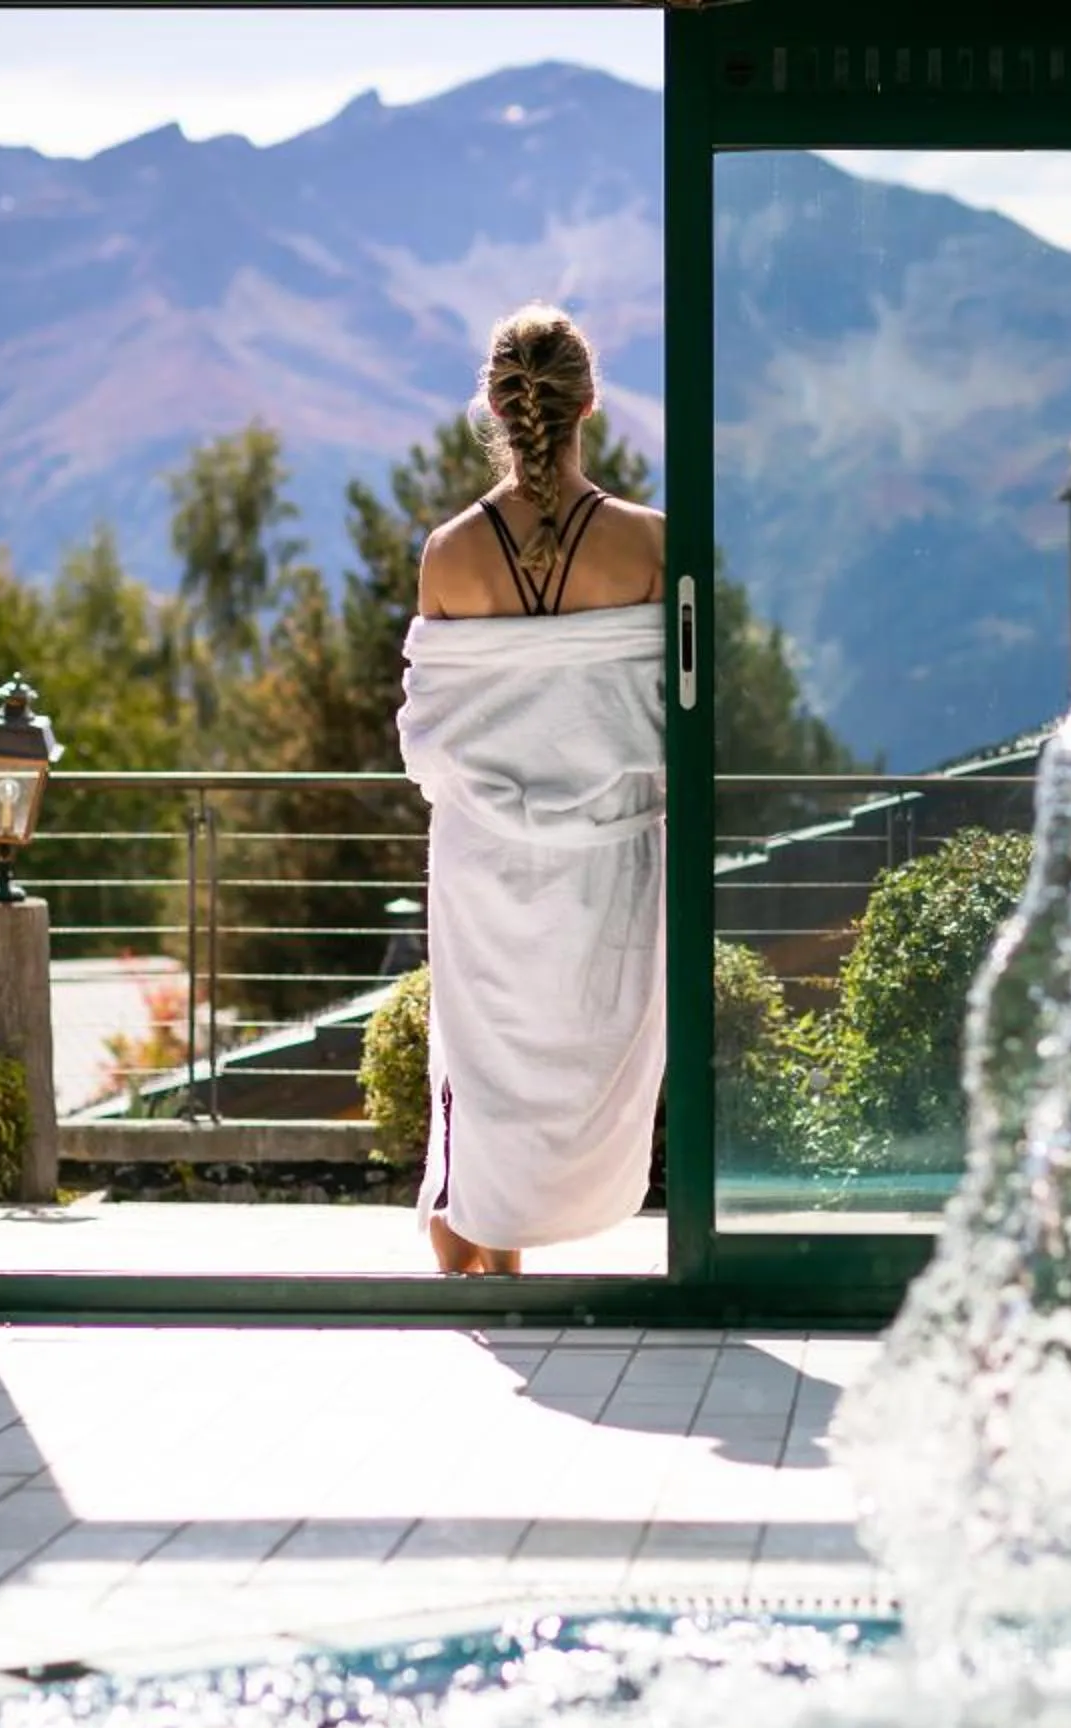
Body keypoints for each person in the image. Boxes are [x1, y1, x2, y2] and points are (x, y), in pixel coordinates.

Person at [395, 304, 669, 1276]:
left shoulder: (448, 553)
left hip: (482, 862)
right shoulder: (646, 545)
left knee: (486, 1063)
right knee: (582, 1052)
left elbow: (427, 738)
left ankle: (473, 1250)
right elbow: (669, 716)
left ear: (497, 408)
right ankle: (497, 1248)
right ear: (589, 402)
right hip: (609, 860)